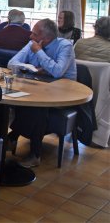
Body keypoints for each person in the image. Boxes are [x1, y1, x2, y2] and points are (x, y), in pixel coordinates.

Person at [7, 18, 77, 167]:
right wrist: (28, 67)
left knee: (37, 107)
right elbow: (12, 63)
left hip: (64, 95)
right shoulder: (32, 43)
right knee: (21, 99)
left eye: (34, 34)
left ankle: (33, 153)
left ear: (45, 38)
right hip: (40, 88)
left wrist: (39, 53)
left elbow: (57, 72)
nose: (30, 36)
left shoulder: (65, 46)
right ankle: (12, 139)